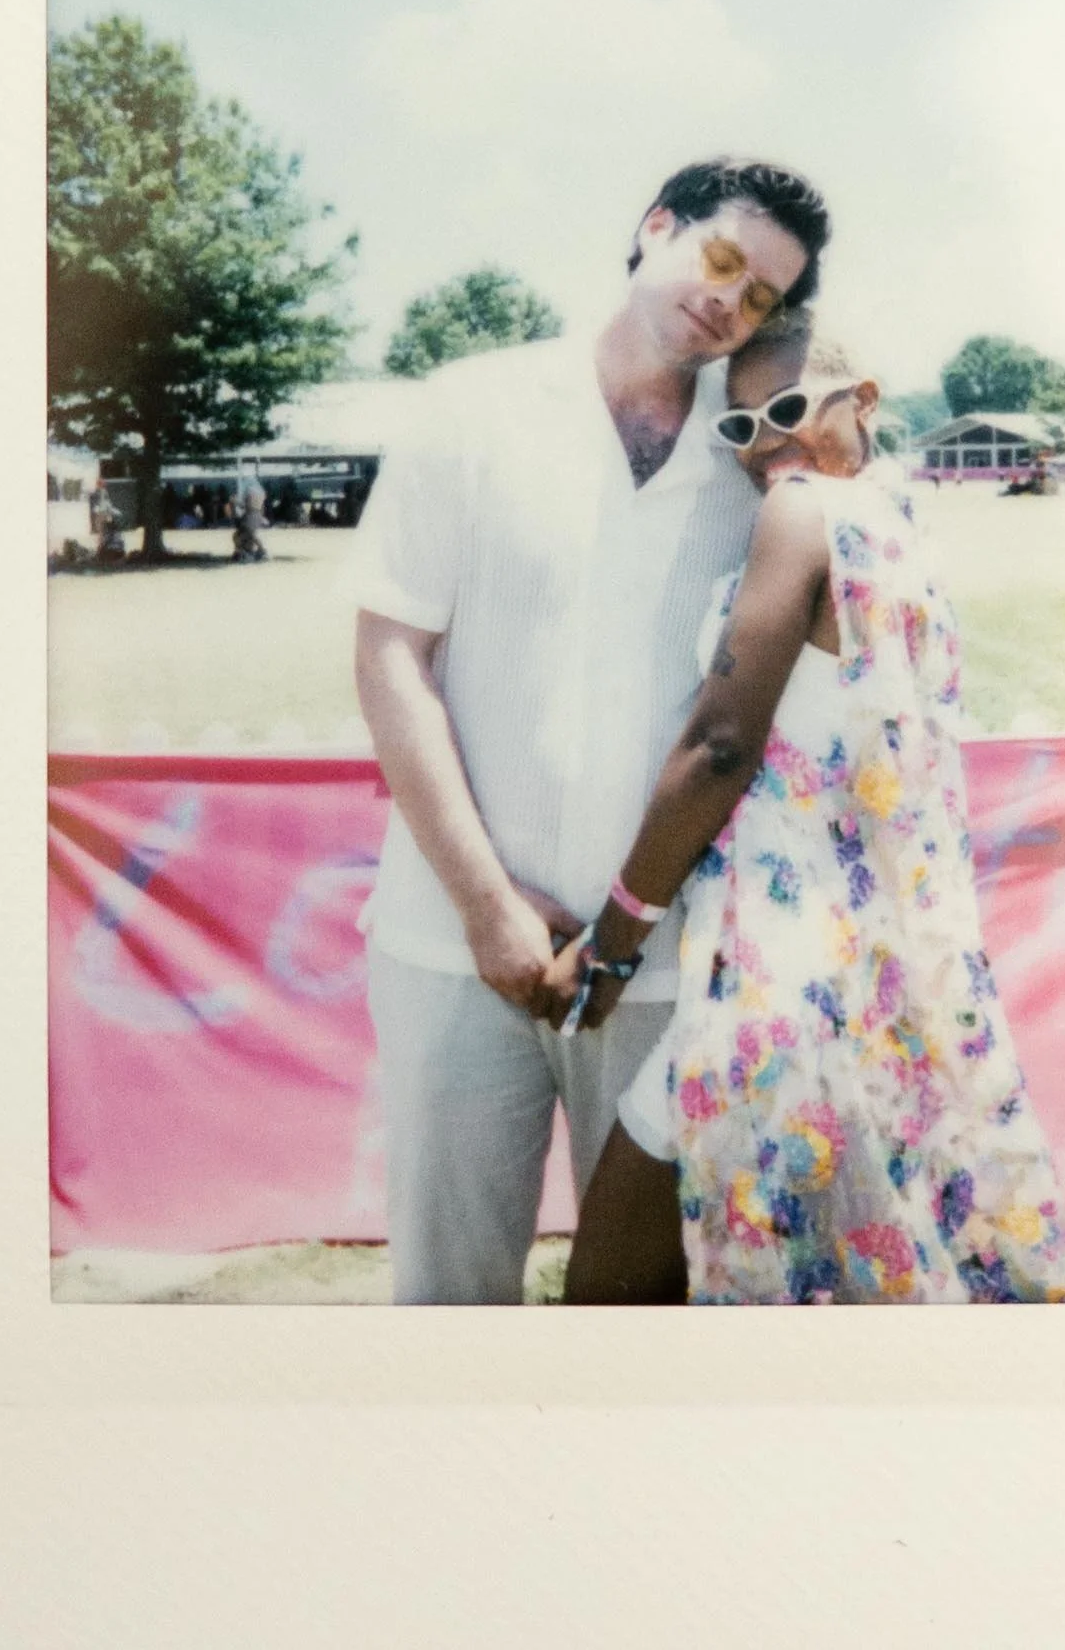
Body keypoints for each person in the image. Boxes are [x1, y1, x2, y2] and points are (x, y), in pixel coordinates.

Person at [349, 159, 833, 1304]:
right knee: (447, 1303)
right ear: (654, 227)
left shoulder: (762, 456)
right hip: (445, 944)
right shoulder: (470, 405)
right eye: (721, 259)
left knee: (639, 1318)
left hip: (663, 969)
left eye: (762, 296)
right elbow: (388, 660)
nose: (730, 302)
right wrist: (486, 908)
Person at [557, 313, 1065, 1305]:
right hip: (882, 993)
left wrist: (615, 936)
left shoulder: (801, 513)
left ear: (865, 402)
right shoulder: (905, 538)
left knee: (608, 1295)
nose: (766, 444)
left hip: (776, 989)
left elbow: (720, 745)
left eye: (787, 411)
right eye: (739, 429)